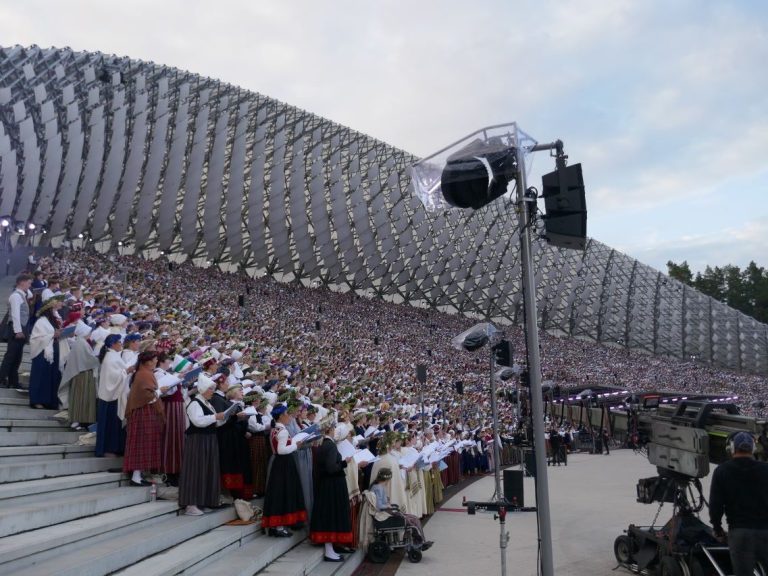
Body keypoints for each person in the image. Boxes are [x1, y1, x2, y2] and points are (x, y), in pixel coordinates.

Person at [709, 432, 768, 576]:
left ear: (732, 448)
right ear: (753, 448)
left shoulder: (721, 471)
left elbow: (715, 506)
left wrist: (718, 529)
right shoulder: (766, 469)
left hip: (739, 534)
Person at [179, 374, 227, 516]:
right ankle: (191, 503)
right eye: (210, 389)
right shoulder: (195, 403)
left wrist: (223, 417)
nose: (212, 391)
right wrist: (215, 417)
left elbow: (215, 422)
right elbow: (198, 421)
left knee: (207, 470)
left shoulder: (207, 403)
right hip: (198, 440)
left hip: (209, 439)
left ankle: (203, 501)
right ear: (203, 389)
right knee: (196, 469)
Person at [310, 418, 353, 562]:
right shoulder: (330, 446)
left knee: (330, 515)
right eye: (333, 428)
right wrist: (344, 462)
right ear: (329, 430)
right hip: (332, 486)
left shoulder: (325, 444)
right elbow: (331, 468)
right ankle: (329, 550)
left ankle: (331, 548)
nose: (335, 430)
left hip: (328, 485)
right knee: (331, 516)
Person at [262, 403, 307, 537]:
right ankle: (279, 526)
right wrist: (296, 445)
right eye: (287, 414)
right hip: (284, 463)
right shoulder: (283, 431)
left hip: (279, 463)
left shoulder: (275, 429)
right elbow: (282, 450)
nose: (289, 417)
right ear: (281, 416)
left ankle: (277, 525)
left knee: (278, 493)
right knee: (282, 492)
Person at [123, 351, 164, 486]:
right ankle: (136, 475)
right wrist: (160, 391)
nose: (156, 362)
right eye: (154, 360)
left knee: (143, 442)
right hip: (143, 411)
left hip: (144, 411)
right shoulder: (144, 374)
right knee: (141, 441)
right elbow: (147, 396)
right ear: (147, 361)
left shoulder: (143, 373)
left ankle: (138, 474)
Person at [368, 468, 431, 549]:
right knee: (413, 520)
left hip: (383, 514)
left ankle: (419, 540)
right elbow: (379, 506)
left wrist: (387, 503)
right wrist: (388, 506)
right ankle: (419, 541)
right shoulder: (379, 488)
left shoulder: (376, 486)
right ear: (387, 479)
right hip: (382, 516)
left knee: (413, 519)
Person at [28, 295, 68, 409]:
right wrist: (52, 334)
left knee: (51, 376)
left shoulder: (51, 321)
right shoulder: (41, 321)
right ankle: (37, 400)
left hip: (52, 350)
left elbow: (53, 333)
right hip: (42, 353)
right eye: (52, 310)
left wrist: (58, 332)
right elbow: (36, 338)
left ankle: (49, 400)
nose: (53, 312)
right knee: (40, 376)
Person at [59, 321, 99, 430]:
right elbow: (89, 359)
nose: (90, 334)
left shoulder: (81, 342)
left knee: (83, 399)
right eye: (88, 332)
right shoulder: (81, 343)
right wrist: (99, 358)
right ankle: (78, 420)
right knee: (81, 399)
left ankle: (82, 421)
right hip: (82, 375)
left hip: (83, 374)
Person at [95, 334, 130, 457]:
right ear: (113, 344)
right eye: (119, 342)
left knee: (113, 424)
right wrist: (127, 371)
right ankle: (107, 449)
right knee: (109, 424)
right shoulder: (110, 358)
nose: (121, 344)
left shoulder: (113, 356)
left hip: (115, 395)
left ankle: (114, 448)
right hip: (110, 397)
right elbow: (113, 377)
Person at [0, 273, 33, 389]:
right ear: (22, 282)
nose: (30, 286)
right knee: (10, 356)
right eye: (28, 283)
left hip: (21, 327)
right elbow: (15, 315)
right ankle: (1, 379)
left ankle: (13, 381)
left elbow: (30, 294)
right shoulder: (16, 296)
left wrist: (25, 289)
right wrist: (18, 330)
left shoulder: (22, 294)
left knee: (17, 357)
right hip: (16, 328)